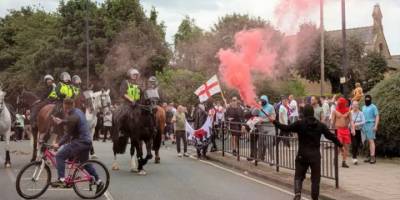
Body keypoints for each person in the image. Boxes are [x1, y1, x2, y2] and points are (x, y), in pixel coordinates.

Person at [270, 104, 343, 200]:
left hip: (302, 155)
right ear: (313, 113)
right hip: (315, 156)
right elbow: (331, 136)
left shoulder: (299, 123)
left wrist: (274, 121)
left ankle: (297, 193)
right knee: (315, 180)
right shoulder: (321, 125)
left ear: (303, 113)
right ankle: (315, 198)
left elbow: (285, 128)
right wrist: (340, 145)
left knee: (298, 176)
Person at [50, 99, 104, 192]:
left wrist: (58, 144)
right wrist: (62, 121)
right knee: (85, 163)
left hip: (80, 142)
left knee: (59, 155)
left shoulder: (73, 116)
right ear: (73, 104)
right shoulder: (78, 111)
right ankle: (99, 181)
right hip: (87, 142)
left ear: (64, 106)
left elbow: (68, 135)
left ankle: (61, 180)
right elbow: (74, 122)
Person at [253, 95, 276, 163]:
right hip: (261, 128)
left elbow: (273, 117)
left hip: (270, 127)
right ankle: (259, 158)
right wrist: (257, 106)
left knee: (269, 143)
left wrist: (263, 120)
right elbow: (253, 113)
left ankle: (272, 159)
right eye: (261, 101)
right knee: (260, 143)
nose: (262, 102)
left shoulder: (271, 107)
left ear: (266, 101)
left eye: (263, 101)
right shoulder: (259, 106)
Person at [331, 97, 352, 168]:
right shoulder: (335, 111)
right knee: (339, 147)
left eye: (341, 103)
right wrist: (331, 130)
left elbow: (351, 121)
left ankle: (344, 162)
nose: (340, 104)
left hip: (346, 130)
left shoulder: (348, 111)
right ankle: (335, 158)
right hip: (338, 130)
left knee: (346, 147)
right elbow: (332, 121)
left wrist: (353, 129)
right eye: (339, 102)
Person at [362, 95, 379, 164]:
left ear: (371, 99)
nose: (367, 100)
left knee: (371, 141)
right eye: (366, 99)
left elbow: (377, 116)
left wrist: (375, 125)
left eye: (368, 99)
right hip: (364, 125)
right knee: (368, 141)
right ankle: (369, 156)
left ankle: (373, 157)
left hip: (371, 124)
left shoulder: (373, 107)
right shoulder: (363, 107)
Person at [350, 101, 365, 165]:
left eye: (356, 105)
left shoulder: (361, 113)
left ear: (358, 106)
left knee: (358, 144)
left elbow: (364, 121)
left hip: (359, 131)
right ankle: (354, 158)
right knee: (354, 144)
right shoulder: (350, 113)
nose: (355, 106)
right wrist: (352, 126)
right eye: (354, 105)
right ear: (352, 106)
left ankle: (354, 155)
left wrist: (356, 124)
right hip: (352, 131)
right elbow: (348, 122)